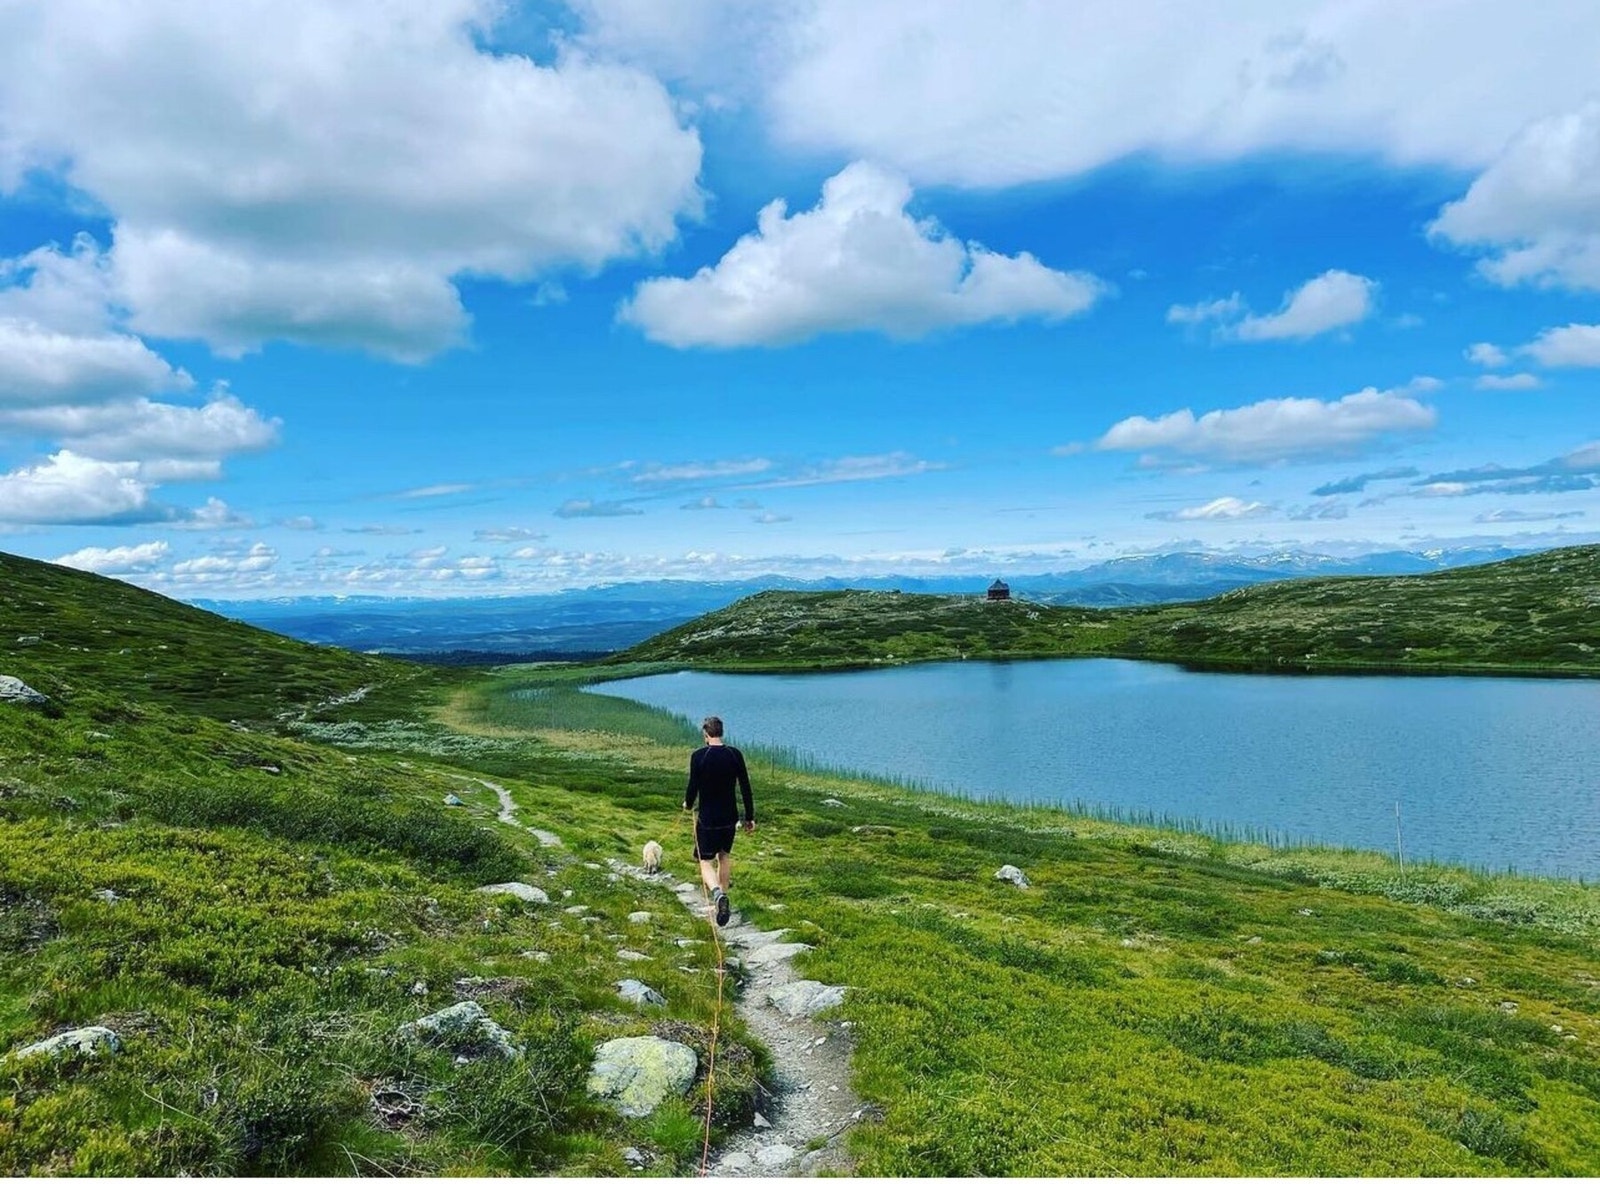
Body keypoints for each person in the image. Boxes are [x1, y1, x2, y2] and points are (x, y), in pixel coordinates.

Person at [682, 715, 755, 926]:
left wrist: (687, 804)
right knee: (724, 856)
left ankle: (717, 894)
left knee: (705, 861)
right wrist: (749, 817)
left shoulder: (698, 756)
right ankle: (723, 900)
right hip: (729, 818)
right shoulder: (734, 754)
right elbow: (745, 788)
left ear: (706, 734)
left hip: (707, 818)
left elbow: (692, 787)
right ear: (721, 732)